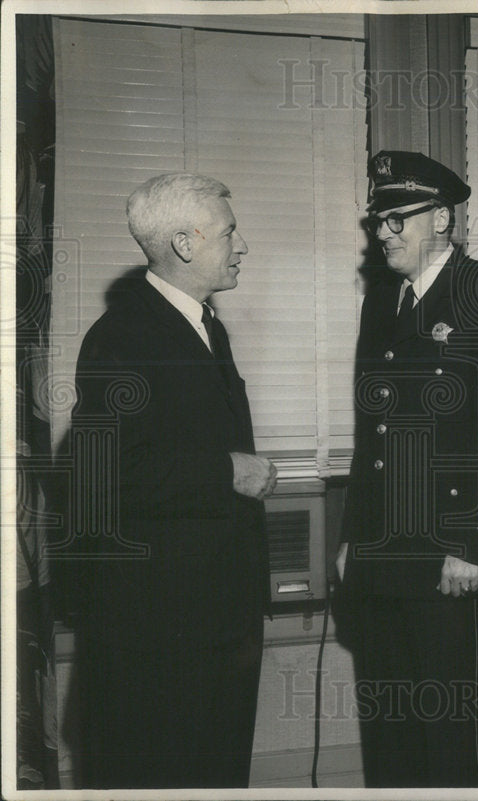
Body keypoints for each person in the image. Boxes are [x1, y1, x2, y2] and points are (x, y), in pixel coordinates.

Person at [71, 173, 277, 788]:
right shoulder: (122, 338)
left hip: (218, 615)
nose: (242, 246)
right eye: (230, 232)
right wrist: (226, 471)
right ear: (185, 244)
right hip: (161, 634)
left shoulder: (203, 326)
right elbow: (100, 473)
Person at [337, 150, 478, 787]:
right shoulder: (384, 302)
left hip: (452, 553)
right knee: (390, 728)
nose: (384, 233)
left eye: (399, 220)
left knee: (452, 735)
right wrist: (352, 538)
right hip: (383, 553)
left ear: (443, 219)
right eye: (379, 222)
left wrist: (474, 541)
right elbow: (375, 436)